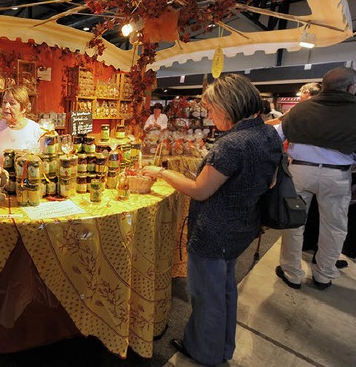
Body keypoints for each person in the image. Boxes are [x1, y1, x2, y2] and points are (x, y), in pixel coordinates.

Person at [142, 74, 282, 366]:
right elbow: (270, 181)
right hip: (243, 225)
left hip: (214, 231)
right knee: (224, 290)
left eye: (211, 108)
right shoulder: (267, 134)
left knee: (207, 297)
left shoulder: (232, 144)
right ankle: (221, 347)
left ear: (228, 105)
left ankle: (204, 352)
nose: (208, 114)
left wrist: (161, 173)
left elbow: (200, 190)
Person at [273, 67, 356, 290]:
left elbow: (276, 135)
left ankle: (291, 272)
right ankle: (324, 275)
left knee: (294, 221)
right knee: (334, 226)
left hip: (300, 172)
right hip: (337, 175)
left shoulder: (301, 109)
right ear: (351, 87)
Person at [0, 84, 42, 164]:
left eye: (12, 103)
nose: (6, 106)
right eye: (4, 102)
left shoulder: (35, 130)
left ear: (24, 108)